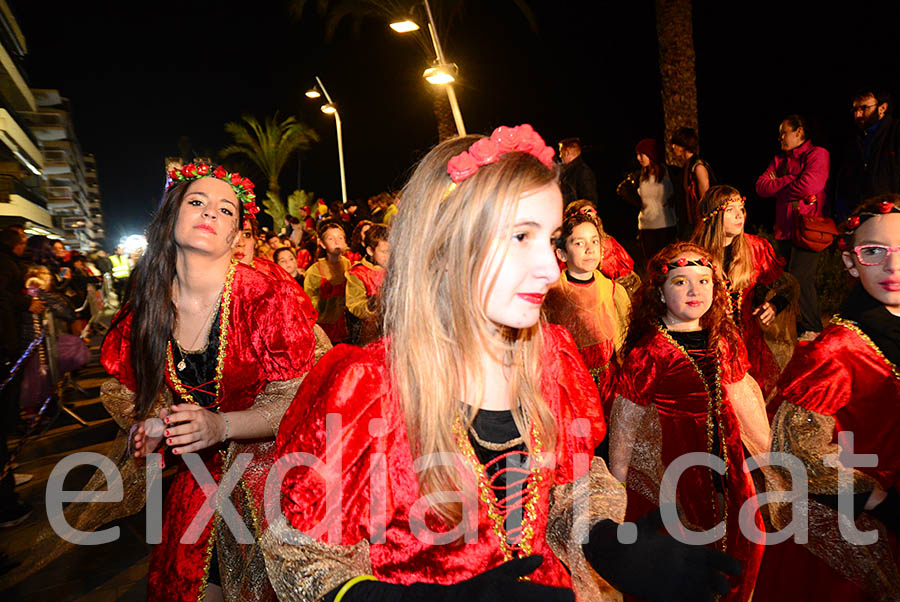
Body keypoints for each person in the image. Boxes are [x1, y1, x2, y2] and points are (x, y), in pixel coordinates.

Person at [264, 124, 740, 602]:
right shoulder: (368, 386)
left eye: (551, 239)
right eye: (520, 236)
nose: (551, 270)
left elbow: (571, 487)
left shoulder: (550, 359)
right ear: (445, 246)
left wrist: (607, 543)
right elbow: (300, 558)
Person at [103, 163, 316, 601]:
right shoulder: (146, 302)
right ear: (171, 216)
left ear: (236, 235)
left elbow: (299, 400)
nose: (209, 213)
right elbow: (131, 392)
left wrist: (221, 426)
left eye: (225, 210)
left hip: (272, 483)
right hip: (194, 484)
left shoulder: (264, 295)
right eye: (196, 202)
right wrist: (159, 423)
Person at [757, 194, 900, 601]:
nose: (893, 265)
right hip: (855, 533)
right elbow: (794, 447)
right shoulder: (834, 350)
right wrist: (881, 503)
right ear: (850, 263)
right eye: (874, 253)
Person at [609, 242, 770, 602]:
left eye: (704, 281)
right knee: (686, 548)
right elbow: (626, 418)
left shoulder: (722, 340)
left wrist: (765, 452)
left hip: (726, 461)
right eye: (681, 282)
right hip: (676, 465)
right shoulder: (650, 350)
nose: (696, 291)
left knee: (746, 538)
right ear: (661, 294)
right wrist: (618, 481)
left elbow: (742, 397)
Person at [691, 185, 795, 398]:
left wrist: (775, 305)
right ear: (714, 216)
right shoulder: (694, 254)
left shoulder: (755, 247)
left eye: (742, 208)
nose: (740, 215)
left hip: (749, 342)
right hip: (709, 344)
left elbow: (787, 285)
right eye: (731, 210)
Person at [544, 212, 630, 416]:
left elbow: (625, 337)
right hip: (570, 387)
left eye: (594, 241)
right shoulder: (552, 294)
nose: (590, 249)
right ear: (562, 254)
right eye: (579, 244)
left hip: (608, 385)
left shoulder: (612, 290)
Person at [755, 114, 830, 339]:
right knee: (791, 279)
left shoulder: (818, 154)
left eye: (784, 132)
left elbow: (811, 184)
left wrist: (778, 184)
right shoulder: (780, 159)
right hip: (785, 228)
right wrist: (790, 180)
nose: (780, 138)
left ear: (799, 132)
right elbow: (761, 187)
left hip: (809, 228)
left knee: (800, 278)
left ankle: (812, 328)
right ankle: (801, 329)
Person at [0, 227, 43, 528]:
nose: (25, 245)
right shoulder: (4, 264)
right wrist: (26, 303)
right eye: (22, 241)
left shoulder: (9, 263)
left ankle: (8, 473)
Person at [835, 88, 900, 220]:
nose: (858, 115)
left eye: (864, 108)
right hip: (860, 216)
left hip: (891, 215)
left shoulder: (896, 131)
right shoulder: (854, 140)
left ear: (882, 108)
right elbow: (844, 180)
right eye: (855, 109)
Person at [304, 219, 351, 343]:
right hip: (325, 329)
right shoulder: (314, 271)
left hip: (347, 328)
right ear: (322, 243)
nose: (337, 241)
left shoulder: (350, 265)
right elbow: (308, 302)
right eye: (331, 238)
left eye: (340, 238)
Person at [345, 223, 389, 346]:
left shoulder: (394, 268)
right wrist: (373, 303)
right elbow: (354, 305)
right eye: (384, 252)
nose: (389, 256)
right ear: (370, 250)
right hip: (370, 333)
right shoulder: (358, 273)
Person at [634, 138, 676, 266]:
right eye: (637, 154)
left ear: (651, 154)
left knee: (666, 261)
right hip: (647, 225)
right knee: (651, 263)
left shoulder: (668, 172)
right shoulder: (639, 175)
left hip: (665, 223)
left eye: (642, 154)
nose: (639, 158)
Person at [670, 127, 715, 236]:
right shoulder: (686, 167)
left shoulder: (698, 166)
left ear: (683, 146)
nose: (672, 148)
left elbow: (705, 198)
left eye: (675, 144)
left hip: (700, 223)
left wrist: (702, 224)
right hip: (688, 222)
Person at [558, 137, 598, 205]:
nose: (560, 156)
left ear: (567, 152)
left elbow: (589, 201)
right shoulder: (566, 171)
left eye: (561, 152)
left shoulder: (583, 172)